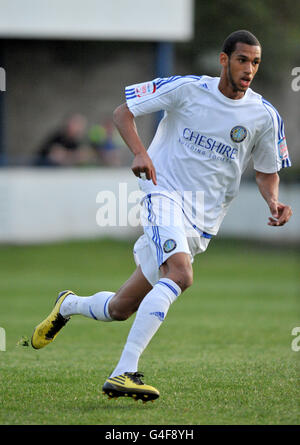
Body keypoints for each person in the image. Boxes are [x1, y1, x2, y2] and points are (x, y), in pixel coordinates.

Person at [31, 30, 292, 403]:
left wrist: (273, 201)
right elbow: (123, 113)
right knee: (180, 275)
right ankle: (123, 373)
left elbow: (267, 170)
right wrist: (140, 153)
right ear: (224, 60)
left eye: (255, 62)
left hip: (202, 220)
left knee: (120, 308)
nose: (249, 69)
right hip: (162, 192)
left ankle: (67, 304)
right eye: (242, 60)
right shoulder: (187, 89)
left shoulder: (264, 115)